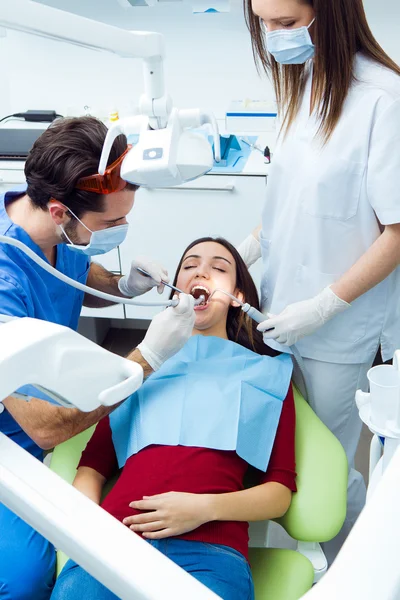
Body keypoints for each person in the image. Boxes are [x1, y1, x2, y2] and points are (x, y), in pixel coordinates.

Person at [0, 116, 196, 599]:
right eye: (112, 223)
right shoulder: (4, 282)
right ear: (60, 211)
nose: (122, 229)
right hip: (15, 430)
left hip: (46, 390)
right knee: (24, 582)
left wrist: (122, 286)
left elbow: (76, 273)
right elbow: (43, 426)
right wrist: (146, 358)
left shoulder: (48, 226)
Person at [238, 0, 400, 563]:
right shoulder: (302, 86)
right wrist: (243, 251)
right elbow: (290, 201)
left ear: (330, 12)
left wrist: (325, 306)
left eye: (286, 23)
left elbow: (397, 232)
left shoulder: (383, 98)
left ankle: (363, 568)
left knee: (325, 461)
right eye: (265, 23)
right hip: (281, 308)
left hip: (340, 323)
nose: (275, 37)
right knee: (291, 445)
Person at [50, 237, 296, 600]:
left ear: (238, 296)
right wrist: (94, 532)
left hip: (209, 553)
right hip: (114, 541)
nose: (201, 271)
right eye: (190, 265)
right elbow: (91, 468)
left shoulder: (266, 375)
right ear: (174, 289)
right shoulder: (139, 367)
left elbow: (279, 491)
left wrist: (202, 508)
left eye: (219, 268)